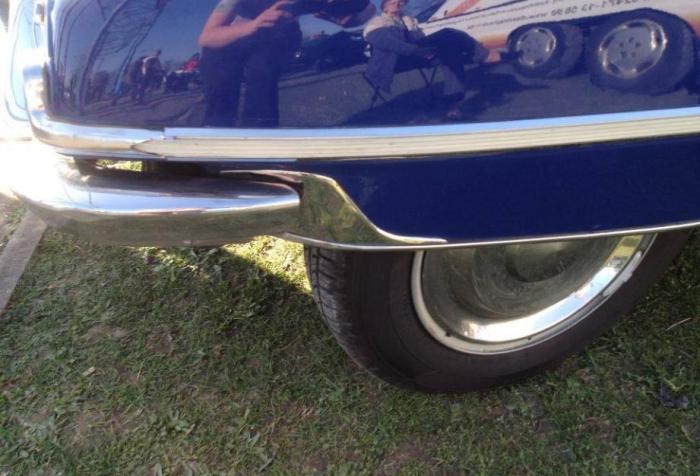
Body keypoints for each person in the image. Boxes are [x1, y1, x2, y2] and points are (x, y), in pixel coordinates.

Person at [363, 0, 484, 118]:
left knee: (450, 53)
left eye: (401, 1)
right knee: (447, 33)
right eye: (392, 2)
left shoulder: (408, 20)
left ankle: (452, 104)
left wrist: (428, 50)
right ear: (384, 6)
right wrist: (416, 50)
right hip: (393, 62)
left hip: (415, 57)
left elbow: (421, 39)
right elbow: (387, 43)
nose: (397, 3)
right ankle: (480, 55)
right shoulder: (378, 22)